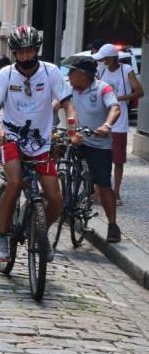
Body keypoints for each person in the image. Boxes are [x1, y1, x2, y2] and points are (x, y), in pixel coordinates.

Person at [0, 26, 78, 262]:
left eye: (30, 51)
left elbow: (68, 104)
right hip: (11, 140)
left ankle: (39, 233)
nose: (26, 57)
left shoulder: (51, 72)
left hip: (41, 145)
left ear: (37, 50)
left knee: (56, 198)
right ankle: (2, 236)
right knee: (15, 183)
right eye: (20, 52)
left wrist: (73, 129)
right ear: (14, 53)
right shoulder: (5, 74)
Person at [66, 55, 123, 242]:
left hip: (98, 143)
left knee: (103, 184)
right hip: (75, 138)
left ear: (82, 75)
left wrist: (106, 126)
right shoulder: (69, 87)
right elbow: (55, 103)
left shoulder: (102, 88)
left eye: (71, 71)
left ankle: (113, 225)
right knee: (52, 153)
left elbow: (115, 108)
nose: (68, 75)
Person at [94, 43, 144, 205]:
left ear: (111, 58)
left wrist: (119, 98)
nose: (102, 61)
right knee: (100, 158)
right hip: (103, 120)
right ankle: (98, 192)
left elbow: (139, 91)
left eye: (104, 58)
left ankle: (116, 193)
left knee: (118, 160)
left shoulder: (126, 70)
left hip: (120, 122)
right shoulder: (101, 71)